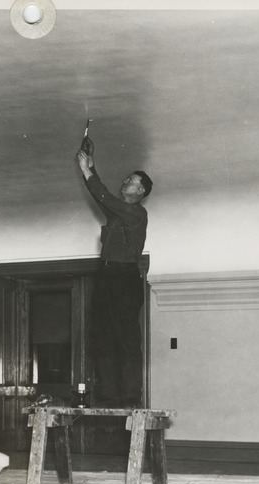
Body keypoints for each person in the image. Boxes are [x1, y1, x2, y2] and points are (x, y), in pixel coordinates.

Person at [76, 135, 153, 407]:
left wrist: (87, 173)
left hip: (124, 279)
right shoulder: (117, 214)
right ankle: (107, 395)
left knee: (126, 338)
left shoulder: (137, 214)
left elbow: (106, 197)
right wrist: (92, 168)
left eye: (131, 181)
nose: (125, 182)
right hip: (107, 276)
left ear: (141, 191)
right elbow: (104, 200)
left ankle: (131, 396)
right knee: (103, 335)